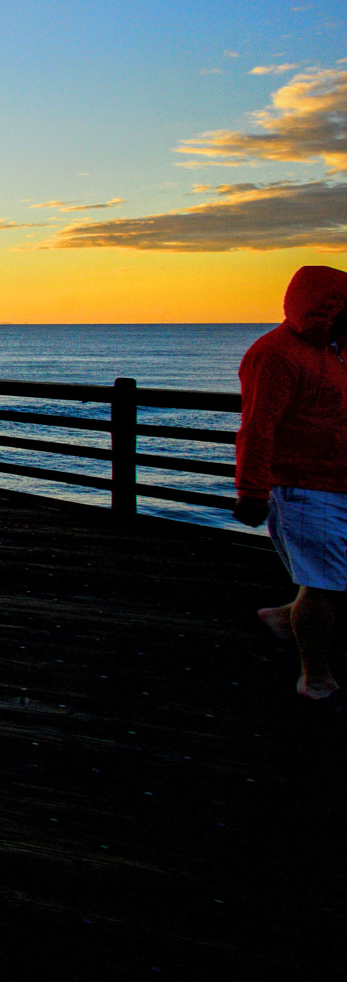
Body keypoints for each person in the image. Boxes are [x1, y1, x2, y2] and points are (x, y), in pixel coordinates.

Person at [235, 265, 347, 702]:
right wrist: (252, 491)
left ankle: (285, 619)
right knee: (324, 585)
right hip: (304, 488)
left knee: (332, 580)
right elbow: (257, 427)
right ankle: (314, 676)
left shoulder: (337, 349)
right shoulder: (275, 355)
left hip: (339, 480)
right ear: (325, 307)